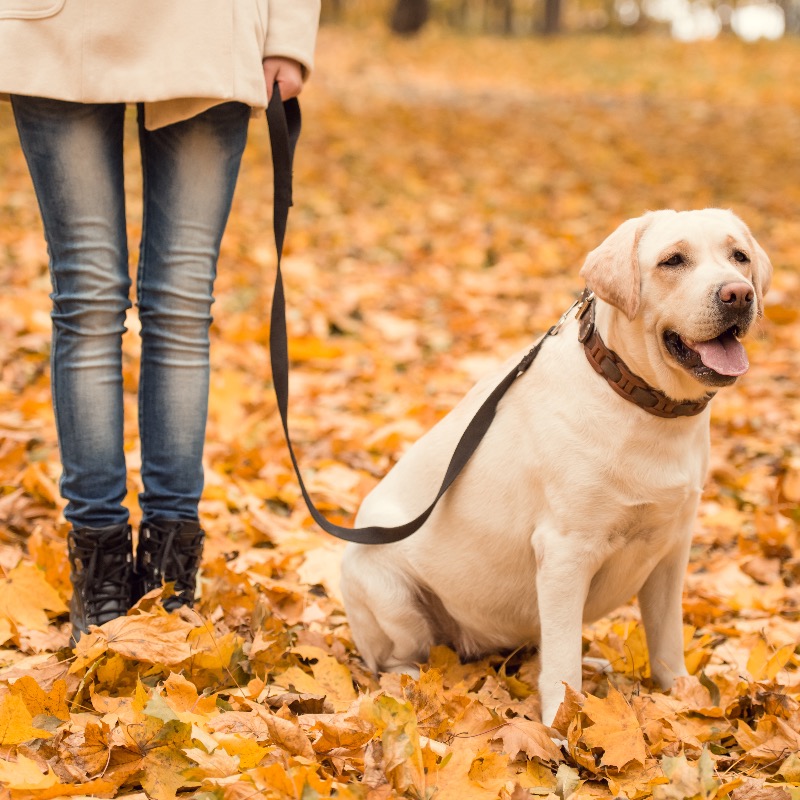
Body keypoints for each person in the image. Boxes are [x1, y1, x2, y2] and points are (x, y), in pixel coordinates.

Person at [0, 0, 321, 642]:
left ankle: (172, 576)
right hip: (56, 22)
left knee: (178, 309)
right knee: (88, 302)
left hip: (207, 23)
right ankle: (101, 570)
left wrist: (287, 33)